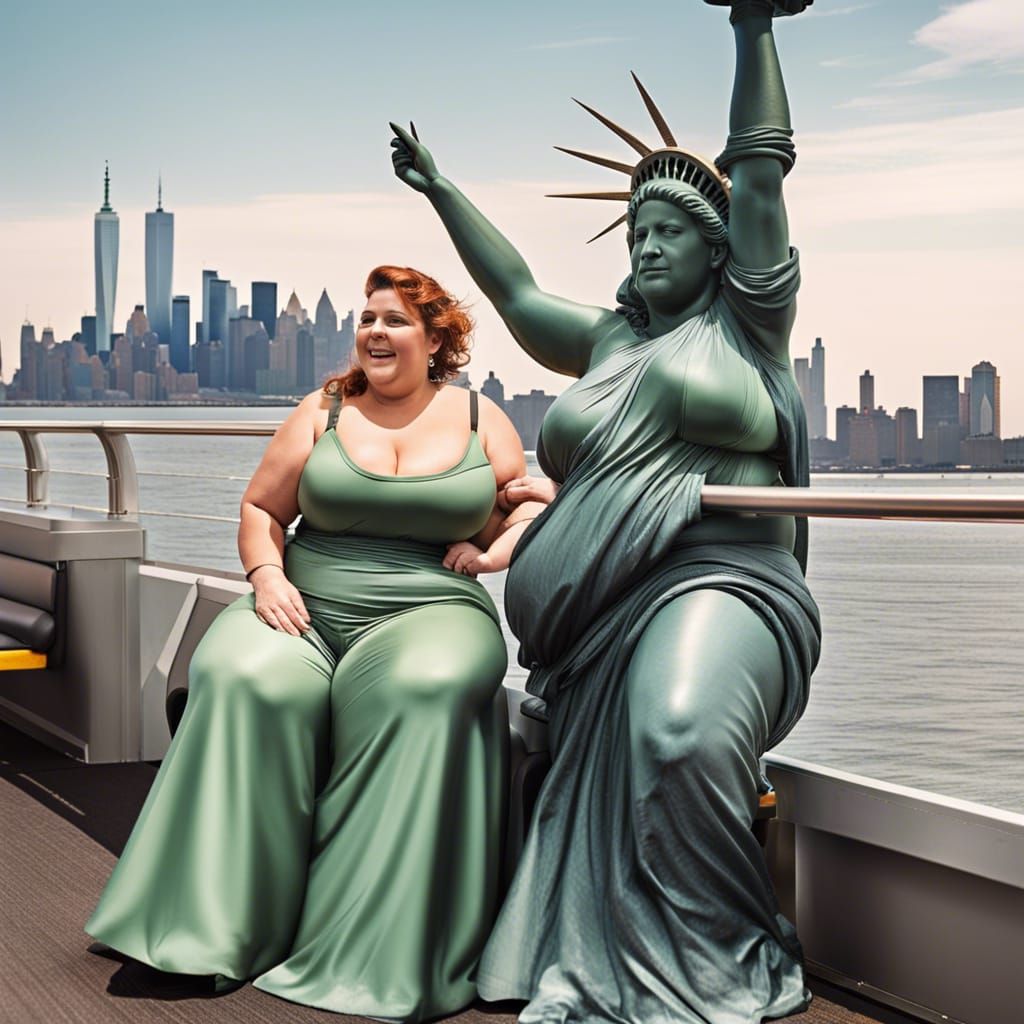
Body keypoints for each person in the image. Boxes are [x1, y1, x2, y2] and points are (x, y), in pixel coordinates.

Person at [390, 2, 822, 1021]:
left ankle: (712, 956)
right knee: (637, 739)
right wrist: (442, 189)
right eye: (638, 232)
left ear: (721, 253)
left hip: (726, 578)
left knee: (676, 730)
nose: (651, 245)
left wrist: (751, 23)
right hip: (594, 617)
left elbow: (758, 168)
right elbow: (512, 287)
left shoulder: (748, 325)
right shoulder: (605, 343)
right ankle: (608, 957)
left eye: (672, 230)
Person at [86, 265, 539, 1021]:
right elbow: (262, 508)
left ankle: (366, 945)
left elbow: (510, 516)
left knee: (422, 690)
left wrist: (501, 545)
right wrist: (265, 575)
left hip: (429, 607)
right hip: (307, 600)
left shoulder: (480, 419)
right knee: (238, 675)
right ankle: (202, 933)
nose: (374, 331)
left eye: (394, 319)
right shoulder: (321, 410)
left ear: (436, 339)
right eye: (366, 318)